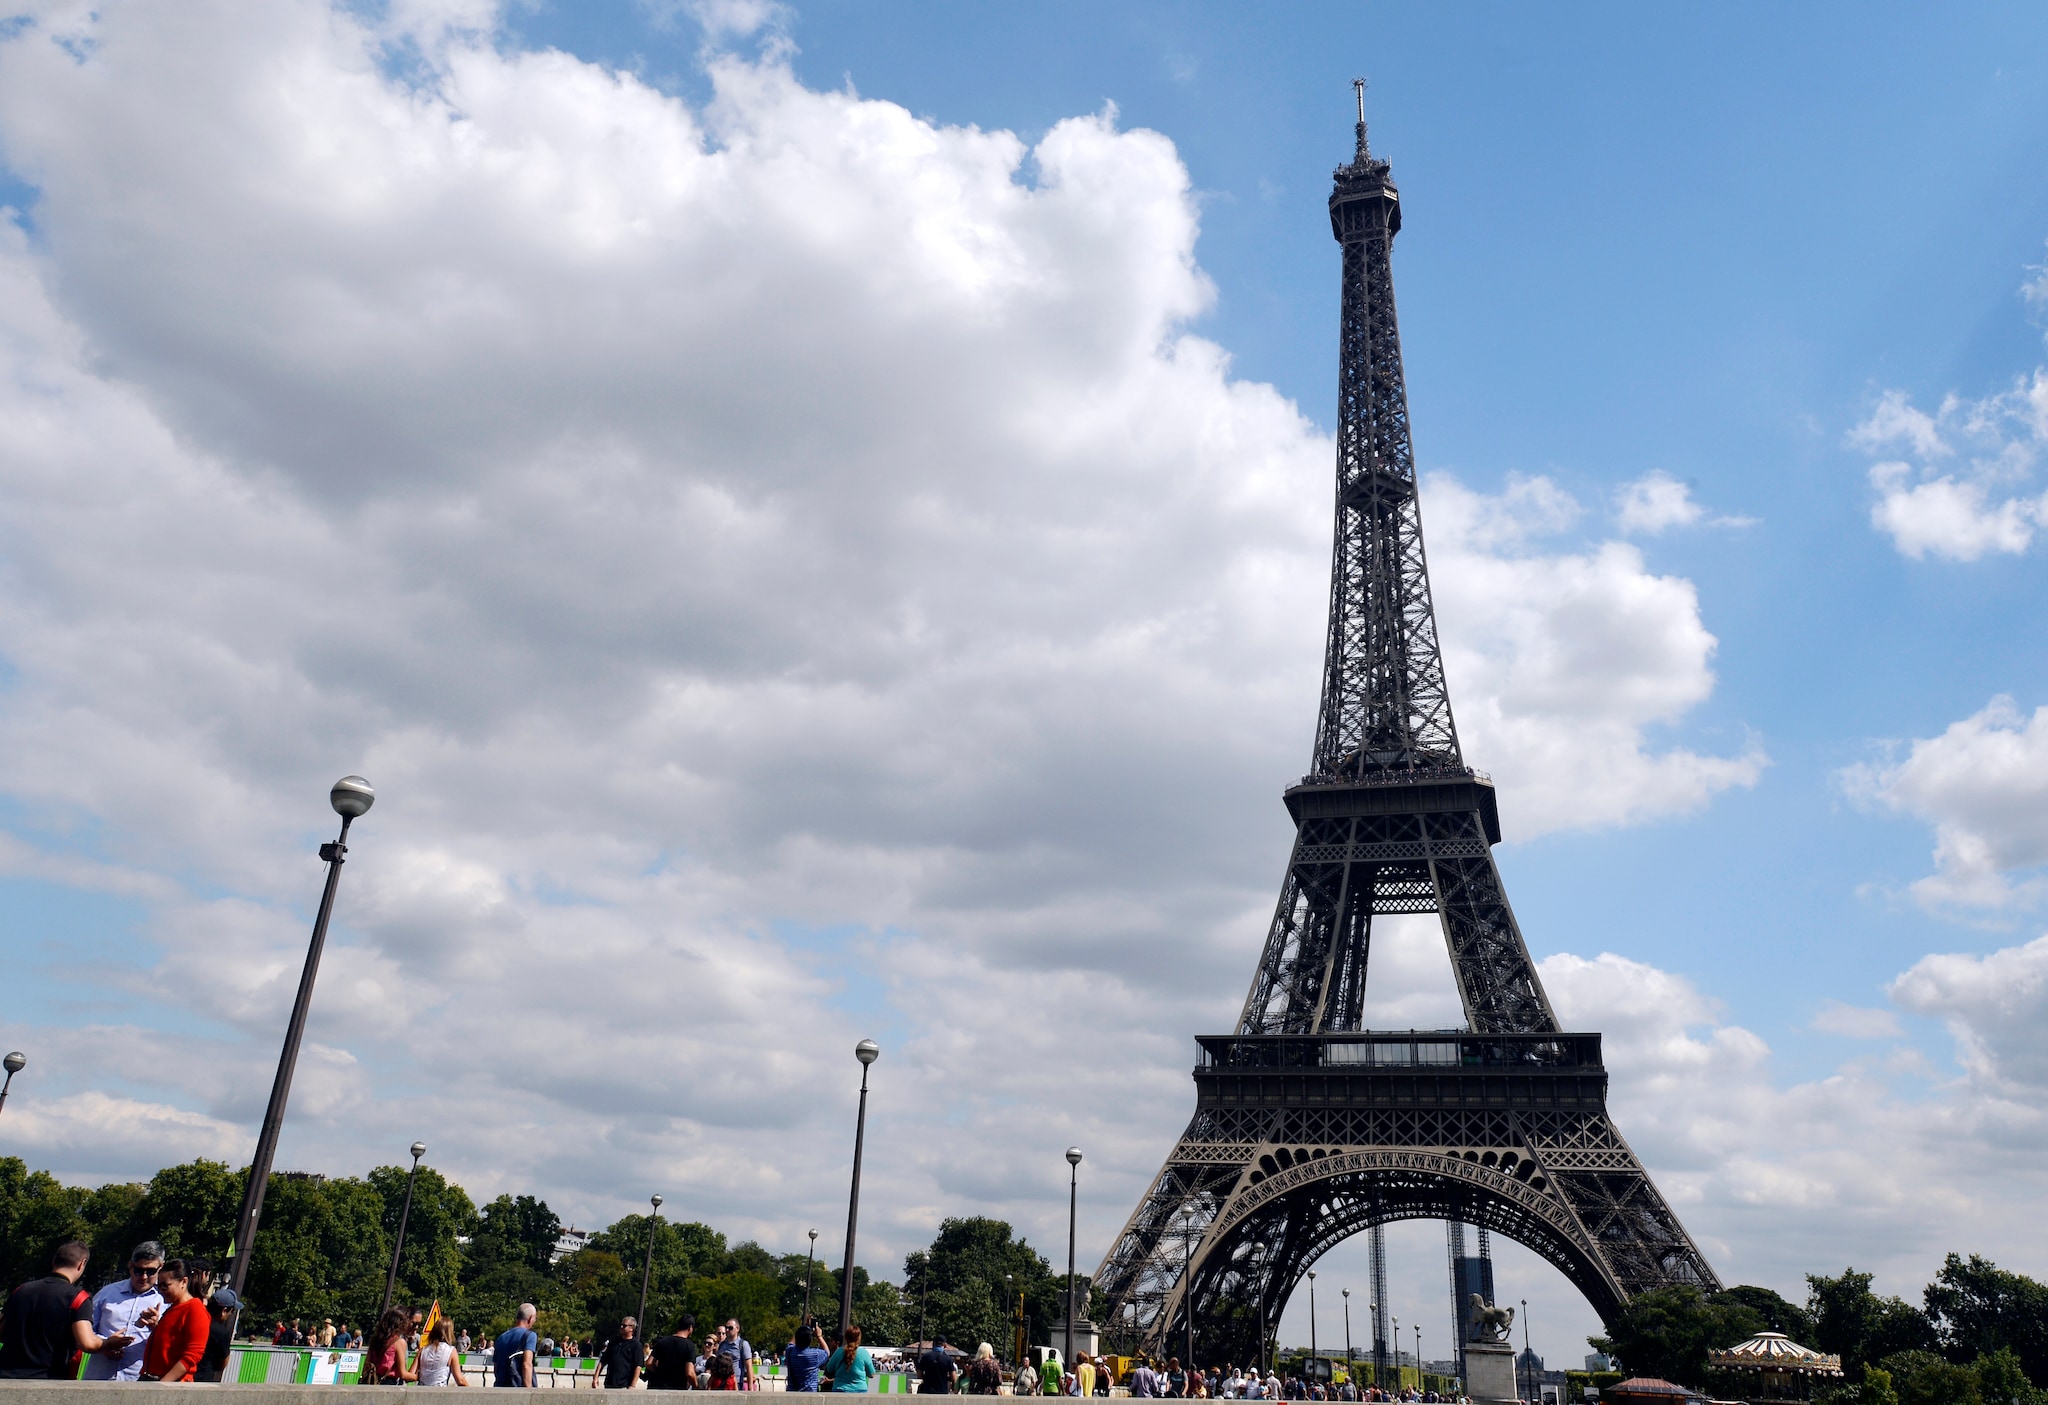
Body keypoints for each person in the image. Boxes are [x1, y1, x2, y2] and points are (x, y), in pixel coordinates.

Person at [0, 1241, 100, 1379]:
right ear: (82, 1264)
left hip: (6, 1377)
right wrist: (110, 1343)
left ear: (54, 1261)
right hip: (48, 1381)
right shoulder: (78, 1298)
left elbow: (1, 1331)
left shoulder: (21, 1290)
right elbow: (87, 1343)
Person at [83, 1241, 166, 1380]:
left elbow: (172, 1347)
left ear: (161, 1267)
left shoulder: (165, 1300)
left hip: (137, 1382)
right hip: (100, 1379)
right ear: (130, 1266)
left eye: (151, 1271)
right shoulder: (107, 1294)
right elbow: (86, 1330)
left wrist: (156, 1327)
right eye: (138, 1270)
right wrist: (104, 1345)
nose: (144, 1277)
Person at [138, 1259, 209, 1383]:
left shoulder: (195, 1309)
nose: (160, 1291)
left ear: (184, 1282)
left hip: (171, 1383)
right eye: (159, 1286)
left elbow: (193, 1354)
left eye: (165, 1285)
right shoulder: (174, 1307)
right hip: (153, 1378)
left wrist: (164, 1383)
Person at [195, 1288, 243, 1384]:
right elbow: (223, 1363)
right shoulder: (221, 1332)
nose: (230, 1314)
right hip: (203, 1379)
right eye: (231, 1311)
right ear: (224, 1310)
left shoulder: (195, 1320)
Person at [366, 1306, 420, 1386]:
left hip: (372, 1382)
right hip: (390, 1383)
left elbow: (367, 1364)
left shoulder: (376, 1339)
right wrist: (418, 1377)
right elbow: (403, 1374)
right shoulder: (399, 1342)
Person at [649, 1313, 701, 1391]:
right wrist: (696, 1386)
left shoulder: (663, 1341)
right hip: (678, 1389)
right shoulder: (690, 1346)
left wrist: (659, 1373)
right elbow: (690, 1373)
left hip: (659, 1387)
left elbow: (649, 1363)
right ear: (690, 1328)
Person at [496, 1304, 540, 1388]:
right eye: (535, 1318)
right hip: (517, 1388)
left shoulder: (501, 1337)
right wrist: (529, 1391)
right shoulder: (530, 1335)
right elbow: (526, 1364)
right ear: (530, 1318)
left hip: (501, 1387)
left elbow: (496, 1367)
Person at [824, 1325, 877, 1394]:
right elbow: (872, 1374)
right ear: (859, 1338)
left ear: (846, 1338)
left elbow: (829, 1368)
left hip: (840, 1390)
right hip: (860, 1390)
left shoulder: (839, 1351)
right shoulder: (864, 1353)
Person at [419, 1319, 472, 1387]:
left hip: (422, 1389)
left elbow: (410, 1374)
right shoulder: (451, 1351)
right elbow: (460, 1380)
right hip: (439, 1390)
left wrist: (423, 1376)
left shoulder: (423, 1350)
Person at [596, 1317, 645, 1390]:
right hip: (609, 1383)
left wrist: (633, 1385)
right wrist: (595, 1377)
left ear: (631, 1328)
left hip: (624, 1385)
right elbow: (603, 1361)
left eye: (624, 1325)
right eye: (621, 1325)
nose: (621, 1327)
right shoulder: (614, 1343)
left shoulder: (636, 1345)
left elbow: (638, 1366)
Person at [783, 1322, 829, 1393]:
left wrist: (803, 1327)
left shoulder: (790, 1351)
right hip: (810, 1392)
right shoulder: (814, 1354)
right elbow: (827, 1352)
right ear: (810, 1340)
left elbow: (791, 1343)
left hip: (792, 1391)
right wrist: (819, 1336)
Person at [718, 1319, 754, 1390]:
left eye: (730, 1328)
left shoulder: (743, 1344)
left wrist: (750, 1388)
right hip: (720, 1382)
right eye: (726, 1327)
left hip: (735, 1383)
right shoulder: (722, 1345)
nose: (727, 1330)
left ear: (737, 1329)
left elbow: (749, 1367)